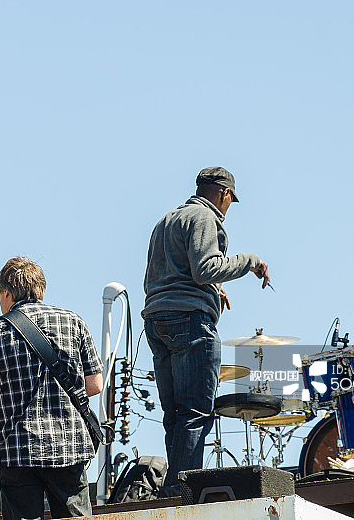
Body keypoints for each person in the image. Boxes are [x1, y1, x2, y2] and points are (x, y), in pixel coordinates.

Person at [142, 166, 270, 497]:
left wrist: (214, 287)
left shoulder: (166, 220)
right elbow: (205, 269)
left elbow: (177, 272)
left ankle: (172, 486)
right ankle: (182, 492)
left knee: (175, 415)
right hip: (189, 322)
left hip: (158, 321)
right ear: (225, 194)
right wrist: (250, 261)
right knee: (196, 413)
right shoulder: (204, 218)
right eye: (230, 201)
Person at [0, 256, 104, 520]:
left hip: (17, 451)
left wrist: (4, 399)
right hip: (68, 447)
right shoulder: (73, 322)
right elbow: (95, 384)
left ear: (6, 293)